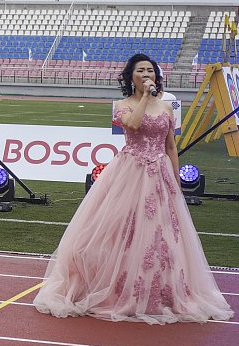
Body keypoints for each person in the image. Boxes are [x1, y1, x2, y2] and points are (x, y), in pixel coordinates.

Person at [33, 53, 234, 325]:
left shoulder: (167, 107)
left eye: (150, 70)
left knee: (162, 232)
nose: (147, 74)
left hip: (160, 173)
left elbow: (170, 146)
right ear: (131, 77)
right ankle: (120, 291)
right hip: (130, 172)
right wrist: (145, 98)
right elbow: (133, 124)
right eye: (141, 71)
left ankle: (161, 293)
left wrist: (175, 180)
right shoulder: (123, 105)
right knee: (124, 230)